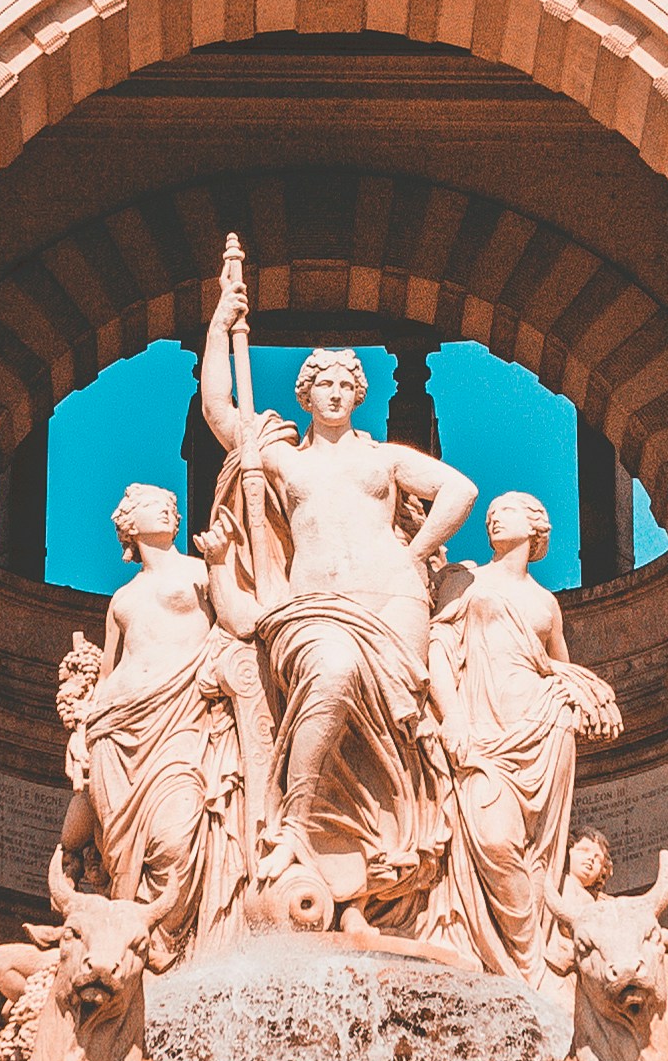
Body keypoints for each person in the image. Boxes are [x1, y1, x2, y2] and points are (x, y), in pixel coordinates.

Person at [196, 238, 472, 922]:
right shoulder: (282, 461)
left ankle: (370, 861)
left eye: (348, 383)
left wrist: (416, 555)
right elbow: (218, 410)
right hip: (314, 607)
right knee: (334, 669)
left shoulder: (384, 459)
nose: (337, 390)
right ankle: (297, 827)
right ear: (306, 391)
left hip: (393, 601)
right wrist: (216, 325)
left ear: (359, 393)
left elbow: (459, 490)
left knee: (383, 713)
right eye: (325, 382)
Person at [57, 481, 255, 963]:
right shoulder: (122, 598)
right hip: (115, 727)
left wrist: (224, 562)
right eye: (152, 505)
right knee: (121, 848)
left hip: (182, 715)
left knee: (174, 836)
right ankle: (131, 953)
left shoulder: (202, 571)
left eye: (170, 504)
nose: (168, 509)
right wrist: (81, 734)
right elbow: (106, 672)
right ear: (128, 523)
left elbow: (240, 623)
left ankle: (172, 949)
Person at [432, 494, 620, 975]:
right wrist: (451, 714)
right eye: (492, 512)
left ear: (537, 525)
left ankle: (530, 965)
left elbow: (562, 669)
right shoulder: (465, 579)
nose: (494, 516)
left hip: (544, 732)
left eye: (508, 509)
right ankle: (524, 962)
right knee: (494, 840)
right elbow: (437, 645)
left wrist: (587, 691)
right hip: (481, 732)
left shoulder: (546, 604)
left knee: (538, 854)